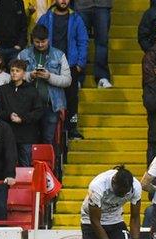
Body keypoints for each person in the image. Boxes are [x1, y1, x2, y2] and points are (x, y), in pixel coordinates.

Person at [37, 0, 89, 140]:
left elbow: (83, 41)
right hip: (49, 65)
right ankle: (46, 131)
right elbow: (37, 38)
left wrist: (80, 64)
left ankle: (72, 129)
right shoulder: (45, 18)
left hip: (70, 65)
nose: (63, 1)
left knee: (72, 99)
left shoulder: (77, 18)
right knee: (46, 99)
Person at [18, 24, 72, 146]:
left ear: (48, 39)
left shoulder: (59, 55)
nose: (41, 44)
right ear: (32, 40)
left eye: (43, 41)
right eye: (37, 42)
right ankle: (30, 165)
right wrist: (30, 76)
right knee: (28, 141)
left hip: (51, 106)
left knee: (48, 140)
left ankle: (47, 165)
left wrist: (50, 77)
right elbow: (15, 76)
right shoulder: (23, 55)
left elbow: (68, 81)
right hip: (28, 107)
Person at [0, 59, 43, 167]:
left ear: (24, 73)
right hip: (7, 133)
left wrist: (22, 119)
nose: (14, 73)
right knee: (5, 165)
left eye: (17, 70)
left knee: (25, 166)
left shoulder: (32, 90)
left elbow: (38, 111)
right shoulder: (3, 89)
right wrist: (9, 115)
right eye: (12, 70)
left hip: (27, 135)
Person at [75, 0, 113, 88]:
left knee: (102, 41)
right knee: (80, 42)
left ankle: (102, 77)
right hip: (82, 5)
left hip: (103, 5)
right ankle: (77, 78)